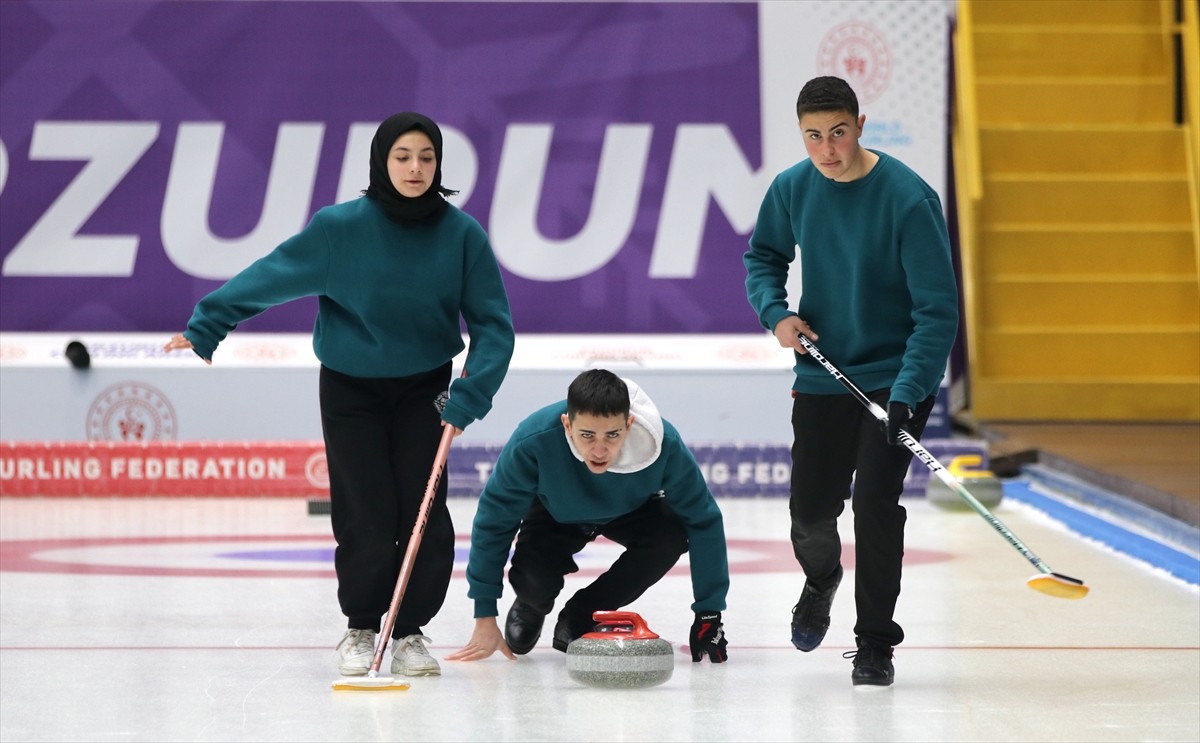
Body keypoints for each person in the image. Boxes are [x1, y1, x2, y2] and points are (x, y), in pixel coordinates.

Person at [163, 112, 515, 678]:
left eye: (426, 157)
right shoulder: (339, 228)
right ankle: (361, 626)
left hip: (427, 389)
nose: (415, 168)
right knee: (367, 512)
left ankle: (409, 632)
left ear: (439, 165)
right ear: (381, 161)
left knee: (423, 514)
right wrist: (209, 324)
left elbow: (494, 327)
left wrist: (471, 394)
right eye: (403, 156)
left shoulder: (462, 235)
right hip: (350, 389)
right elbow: (271, 275)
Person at [742, 76, 959, 687]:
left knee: (874, 506)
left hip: (896, 379)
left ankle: (874, 645)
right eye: (814, 137)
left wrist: (910, 391)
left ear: (861, 125)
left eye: (838, 133)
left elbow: (937, 311)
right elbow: (762, 257)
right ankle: (820, 578)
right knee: (810, 515)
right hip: (823, 374)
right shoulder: (791, 188)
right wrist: (776, 314)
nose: (827, 149)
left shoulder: (909, 199)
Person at [445, 368, 730, 664]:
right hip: (554, 512)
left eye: (612, 435)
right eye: (587, 435)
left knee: (671, 536)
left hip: (631, 510)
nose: (599, 449)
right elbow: (494, 522)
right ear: (567, 425)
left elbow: (703, 519)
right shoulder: (533, 440)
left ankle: (583, 612)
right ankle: (532, 604)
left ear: (629, 424)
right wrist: (484, 613)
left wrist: (709, 613)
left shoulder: (662, 443)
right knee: (534, 583)